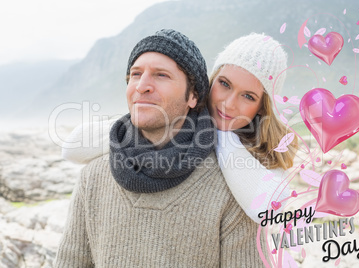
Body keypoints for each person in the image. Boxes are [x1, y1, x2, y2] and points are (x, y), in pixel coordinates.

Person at [54, 29, 268, 267]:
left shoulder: (231, 189)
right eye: (135, 74)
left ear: (194, 96)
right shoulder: (92, 178)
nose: (142, 86)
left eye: (161, 75)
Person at [62, 32, 297, 223]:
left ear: (262, 107)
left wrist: (223, 138)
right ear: (210, 81)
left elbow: (269, 211)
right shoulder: (176, 116)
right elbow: (72, 147)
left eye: (248, 96)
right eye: (224, 84)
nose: (229, 103)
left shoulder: (268, 153)